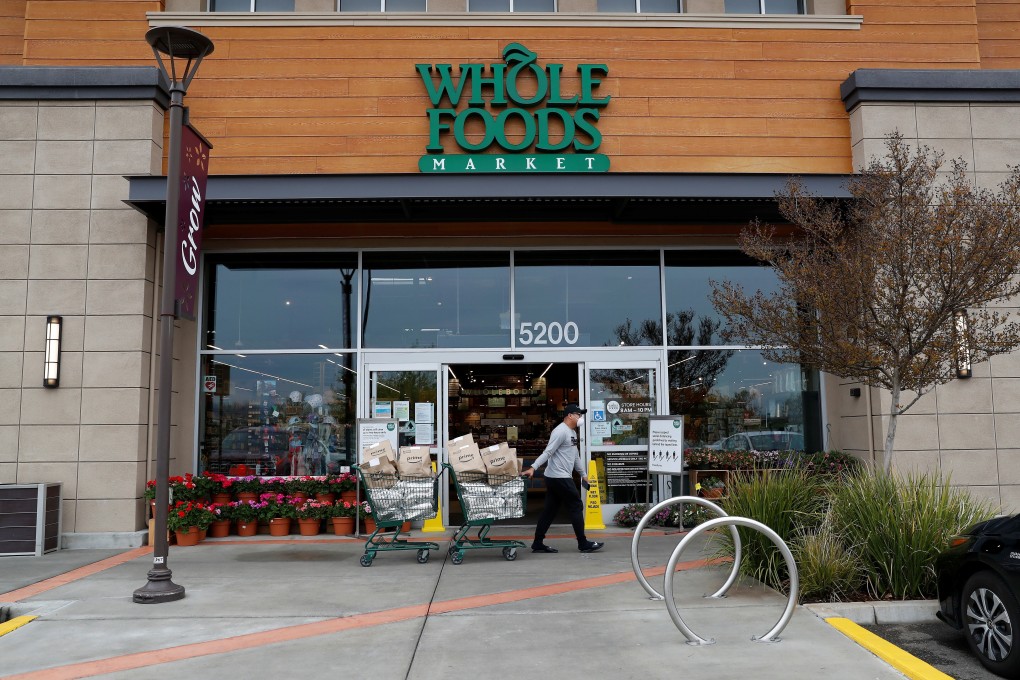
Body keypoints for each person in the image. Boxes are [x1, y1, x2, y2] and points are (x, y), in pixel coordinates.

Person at [522, 403, 603, 554]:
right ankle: (583, 543)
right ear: (570, 416)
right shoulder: (560, 431)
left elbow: (575, 456)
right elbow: (548, 452)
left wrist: (583, 475)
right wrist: (533, 467)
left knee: (550, 510)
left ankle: (538, 543)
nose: (580, 417)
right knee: (576, 505)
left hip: (556, 477)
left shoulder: (572, 432)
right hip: (559, 476)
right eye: (578, 414)